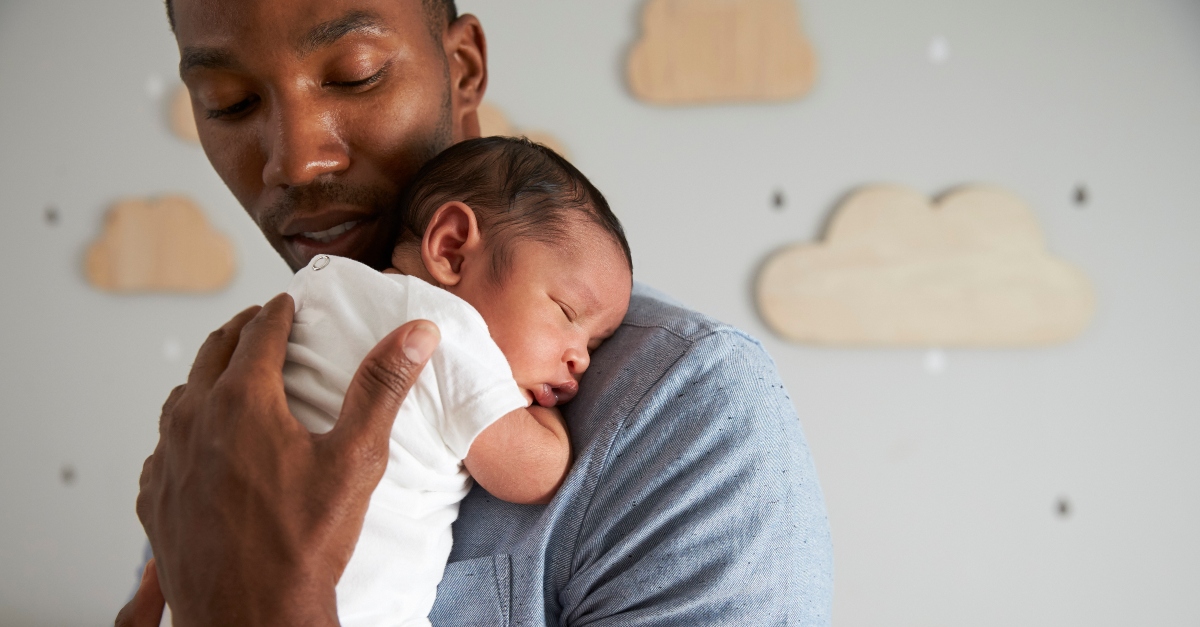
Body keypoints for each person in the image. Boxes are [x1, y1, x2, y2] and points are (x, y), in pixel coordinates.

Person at [118, 0, 834, 625]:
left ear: (461, 70)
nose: (296, 159)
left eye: (356, 73)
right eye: (230, 101)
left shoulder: (682, 408)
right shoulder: (233, 399)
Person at [282, 137, 631, 626]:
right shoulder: (446, 330)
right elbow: (536, 474)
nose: (580, 360)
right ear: (451, 250)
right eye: (566, 313)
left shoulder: (321, 289)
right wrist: (542, 412)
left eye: (594, 345)